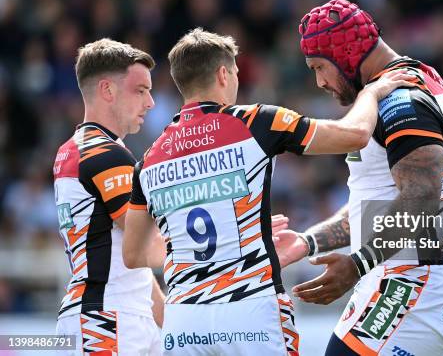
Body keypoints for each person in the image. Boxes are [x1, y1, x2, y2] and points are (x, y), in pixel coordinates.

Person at [122, 28, 411, 356]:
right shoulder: (256, 121)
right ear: (222, 73)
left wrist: (202, 247)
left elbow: (133, 255)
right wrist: (371, 94)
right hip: (250, 308)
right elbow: (356, 133)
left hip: (184, 318)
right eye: (235, 73)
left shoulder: (149, 160)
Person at [273, 0, 443, 355]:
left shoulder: (400, 101)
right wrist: (308, 242)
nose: (319, 82)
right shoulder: (412, 78)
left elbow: (421, 198)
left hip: (421, 284)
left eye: (319, 67)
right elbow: (379, 202)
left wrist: (356, 265)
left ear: (345, 52)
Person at [53, 39, 165, 355]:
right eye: (141, 90)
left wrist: (168, 320)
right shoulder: (106, 154)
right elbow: (147, 247)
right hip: (107, 320)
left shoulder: (76, 149)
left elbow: (131, 257)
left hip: (110, 314)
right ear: (108, 90)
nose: (151, 102)